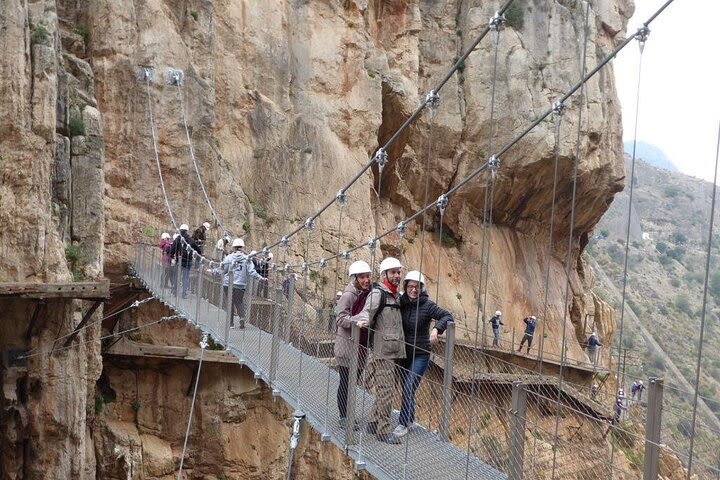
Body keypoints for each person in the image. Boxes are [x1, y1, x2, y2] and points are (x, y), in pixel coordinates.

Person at [393, 270, 452, 437]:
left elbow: (447, 316)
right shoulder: (400, 301)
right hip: (403, 352)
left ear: (421, 288)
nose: (413, 290)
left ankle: (403, 423)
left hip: (421, 353)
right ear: (406, 286)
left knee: (409, 385)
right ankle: (410, 418)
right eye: (410, 286)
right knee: (407, 387)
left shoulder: (427, 305)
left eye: (417, 287)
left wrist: (436, 329)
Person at [356, 257, 405, 444]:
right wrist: (363, 320)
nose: (397, 275)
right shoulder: (379, 293)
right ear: (384, 275)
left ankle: (372, 421)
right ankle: (383, 431)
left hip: (395, 349)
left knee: (387, 389)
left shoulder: (396, 295)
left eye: (398, 272)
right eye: (393, 272)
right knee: (386, 391)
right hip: (384, 350)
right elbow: (368, 310)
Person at [333, 261, 372, 430]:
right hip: (347, 346)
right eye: (362, 277)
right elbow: (340, 318)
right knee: (346, 382)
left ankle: (347, 415)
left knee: (351, 382)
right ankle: (343, 417)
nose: (366, 280)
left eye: (367, 276)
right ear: (355, 278)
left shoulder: (363, 293)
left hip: (358, 346)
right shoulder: (349, 295)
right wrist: (358, 322)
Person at [210, 238, 266, 328]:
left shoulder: (228, 258)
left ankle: (231, 324)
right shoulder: (247, 259)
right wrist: (260, 278)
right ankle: (242, 320)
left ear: (233, 247)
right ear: (242, 247)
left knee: (230, 302)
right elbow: (252, 272)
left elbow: (223, 270)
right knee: (239, 302)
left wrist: (213, 271)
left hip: (228, 283)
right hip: (240, 284)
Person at [169, 224, 199, 298]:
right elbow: (198, 250)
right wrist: (197, 261)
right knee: (186, 277)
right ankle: (184, 293)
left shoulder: (178, 239)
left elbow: (172, 249)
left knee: (177, 276)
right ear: (187, 231)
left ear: (180, 230)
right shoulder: (191, 240)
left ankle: (175, 291)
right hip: (188, 261)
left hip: (179, 261)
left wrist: (172, 256)